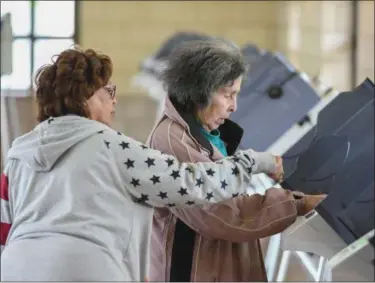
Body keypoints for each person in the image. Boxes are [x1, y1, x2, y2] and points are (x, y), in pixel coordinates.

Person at [0, 46, 285, 281]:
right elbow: (194, 183)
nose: (114, 101)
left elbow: (4, 228)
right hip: (89, 270)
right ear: (84, 99)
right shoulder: (113, 147)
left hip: (15, 269)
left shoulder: (18, 154)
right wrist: (254, 162)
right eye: (108, 92)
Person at [146, 40, 326, 282]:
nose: (234, 106)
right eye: (228, 95)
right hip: (192, 272)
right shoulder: (173, 141)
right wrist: (295, 204)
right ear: (200, 92)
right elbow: (220, 213)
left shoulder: (205, 134)